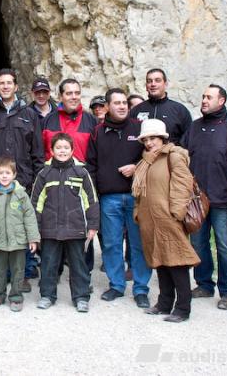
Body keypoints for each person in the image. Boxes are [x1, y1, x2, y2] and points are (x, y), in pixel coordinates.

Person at [180, 85, 227, 310]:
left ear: (221, 101)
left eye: (209, 97)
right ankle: (204, 284)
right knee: (198, 244)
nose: (204, 100)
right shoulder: (194, 128)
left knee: (225, 246)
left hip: (224, 199)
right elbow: (181, 158)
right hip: (196, 199)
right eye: (203, 96)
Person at [85, 89, 151, 308]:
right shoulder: (98, 132)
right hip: (109, 198)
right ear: (107, 107)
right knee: (111, 244)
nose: (122, 106)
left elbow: (154, 155)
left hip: (136, 196)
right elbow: (91, 164)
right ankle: (116, 285)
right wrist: (93, 195)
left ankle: (141, 289)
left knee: (138, 244)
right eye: (117, 103)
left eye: (124, 103)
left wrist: (137, 167)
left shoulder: (140, 128)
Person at [0, 68, 44, 290]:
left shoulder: (30, 114)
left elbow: (37, 151)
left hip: (23, 182)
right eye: (2, 83)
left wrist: (35, 181)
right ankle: (4, 273)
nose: (6, 86)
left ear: (16, 86)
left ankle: (23, 273)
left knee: (21, 228)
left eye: (9, 83)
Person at [132, 119, 200, 323]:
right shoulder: (146, 161)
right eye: (146, 139)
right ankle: (164, 303)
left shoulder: (174, 156)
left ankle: (183, 308)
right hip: (150, 220)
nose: (149, 143)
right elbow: (139, 191)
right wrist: (138, 212)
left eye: (153, 138)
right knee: (160, 262)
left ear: (162, 138)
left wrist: (176, 214)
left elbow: (183, 185)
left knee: (177, 262)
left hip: (168, 219)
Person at [32, 133, 99, 312]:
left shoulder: (81, 173)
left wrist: (93, 225)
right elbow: (36, 203)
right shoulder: (44, 174)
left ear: (72, 150)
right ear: (52, 150)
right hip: (50, 229)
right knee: (48, 263)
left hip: (75, 228)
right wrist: (35, 229)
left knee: (78, 264)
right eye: (58, 148)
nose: (62, 151)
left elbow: (91, 201)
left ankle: (81, 297)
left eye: (66, 148)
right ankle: (47, 295)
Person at [0, 156, 40, 312]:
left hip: (18, 241)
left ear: (14, 174)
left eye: (8, 173)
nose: (4, 176)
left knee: (18, 270)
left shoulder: (21, 195)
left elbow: (30, 217)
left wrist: (33, 238)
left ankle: (16, 297)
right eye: (1, 173)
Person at [41, 78, 97, 163]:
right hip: (52, 170)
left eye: (77, 93)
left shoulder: (92, 121)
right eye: (69, 93)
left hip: (83, 171)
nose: (74, 97)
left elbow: (99, 154)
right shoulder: (47, 121)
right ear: (60, 97)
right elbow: (39, 153)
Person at [130, 68, 192, 145]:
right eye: (149, 81)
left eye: (157, 80)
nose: (153, 84)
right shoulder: (136, 110)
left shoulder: (180, 110)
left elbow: (189, 140)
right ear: (146, 86)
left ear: (165, 84)